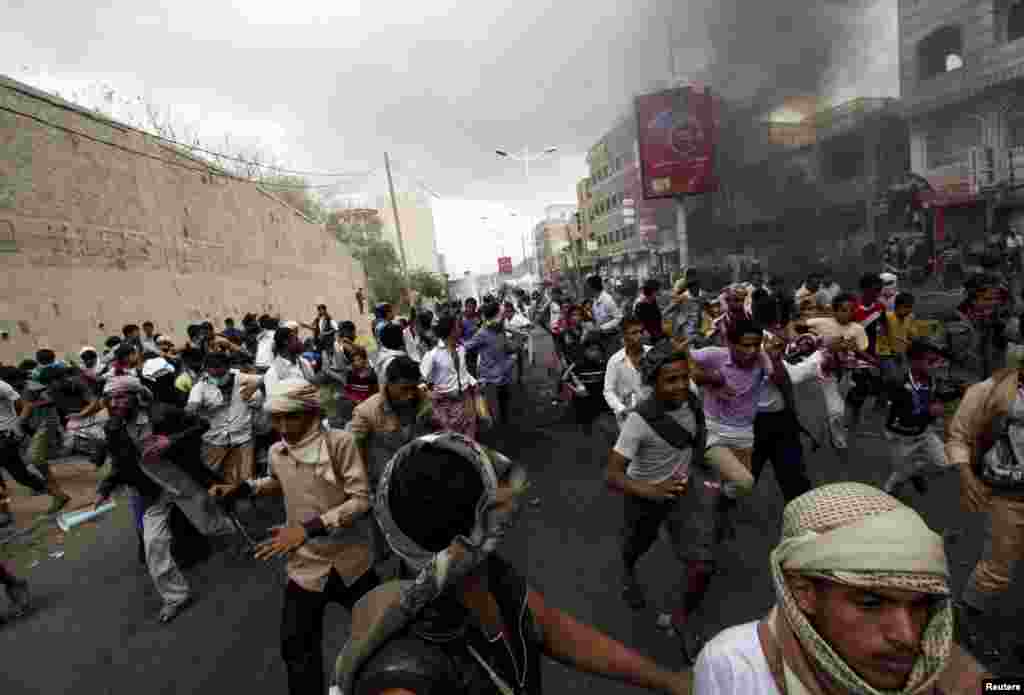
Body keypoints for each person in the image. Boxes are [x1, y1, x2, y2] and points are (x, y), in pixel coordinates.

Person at [334, 432, 693, 695]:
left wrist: (666, 680)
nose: (508, 496)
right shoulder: (404, 675)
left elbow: (550, 628)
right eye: (492, 491)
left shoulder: (482, 573)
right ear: (477, 524)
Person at [693, 482, 988, 695]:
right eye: (871, 603)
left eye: (921, 604)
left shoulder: (947, 670)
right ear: (803, 591)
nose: (908, 637)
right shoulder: (735, 666)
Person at [210, 379, 378, 695]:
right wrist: (242, 488)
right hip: (306, 565)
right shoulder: (278, 451)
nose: (284, 427)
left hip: (351, 560)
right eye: (277, 419)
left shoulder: (340, 443)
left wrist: (307, 529)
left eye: (292, 417)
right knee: (297, 647)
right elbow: (278, 481)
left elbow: (360, 501)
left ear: (312, 413)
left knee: (380, 633)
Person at [606, 344, 721, 661]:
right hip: (644, 496)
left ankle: (682, 618)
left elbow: (696, 439)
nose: (681, 385)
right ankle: (628, 571)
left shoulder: (691, 400)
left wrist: (705, 475)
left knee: (702, 564)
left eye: (684, 377)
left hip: (682, 492)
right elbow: (612, 475)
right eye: (670, 380)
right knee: (636, 545)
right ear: (652, 382)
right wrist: (651, 491)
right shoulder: (639, 420)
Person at [96, 402, 239, 623]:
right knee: (153, 543)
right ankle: (175, 597)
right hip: (153, 492)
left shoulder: (161, 413)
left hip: (184, 483)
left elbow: (202, 424)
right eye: (111, 398)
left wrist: (170, 441)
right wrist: (105, 488)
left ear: (135, 395)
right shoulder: (114, 427)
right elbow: (120, 463)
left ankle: (240, 539)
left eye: (121, 396)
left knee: (211, 525)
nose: (115, 403)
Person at [945, 361, 1024, 653]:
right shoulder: (990, 390)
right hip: (1008, 494)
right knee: (997, 569)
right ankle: (966, 619)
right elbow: (959, 436)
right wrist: (966, 475)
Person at [882, 339, 958, 500]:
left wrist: (959, 391)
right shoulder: (899, 383)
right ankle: (889, 493)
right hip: (901, 436)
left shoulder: (931, 380)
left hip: (924, 433)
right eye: (931, 361)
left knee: (946, 462)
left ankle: (916, 471)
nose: (936, 366)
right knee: (901, 473)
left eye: (938, 361)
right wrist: (930, 412)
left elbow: (939, 396)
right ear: (914, 361)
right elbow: (904, 418)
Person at [186, 352, 262, 485]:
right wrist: (191, 408)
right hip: (215, 439)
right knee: (211, 476)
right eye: (212, 374)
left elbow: (263, 380)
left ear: (227, 367)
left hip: (243, 437)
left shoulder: (242, 378)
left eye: (220, 373)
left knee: (244, 478)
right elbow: (192, 405)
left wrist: (252, 390)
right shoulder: (200, 387)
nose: (216, 377)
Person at [0, 367, 52, 526]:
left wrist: (17, 427)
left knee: (20, 474)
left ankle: (49, 489)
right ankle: (4, 511)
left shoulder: (3, 386)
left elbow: (23, 406)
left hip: (5, 435)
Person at [420, 313, 479, 439]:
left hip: (465, 400)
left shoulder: (461, 349)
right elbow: (421, 380)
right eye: (457, 326)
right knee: (451, 441)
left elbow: (463, 373)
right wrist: (429, 393)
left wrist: (473, 383)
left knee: (469, 438)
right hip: (445, 407)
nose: (460, 329)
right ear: (451, 331)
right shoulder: (432, 355)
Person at [464, 302, 514, 427]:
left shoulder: (501, 330)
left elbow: (507, 347)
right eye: (501, 314)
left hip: (504, 374)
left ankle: (503, 426)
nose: (503, 317)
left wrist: (515, 346)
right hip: (490, 378)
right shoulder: (482, 333)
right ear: (494, 316)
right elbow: (467, 347)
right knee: (493, 412)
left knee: (504, 406)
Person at [604, 318, 653, 430]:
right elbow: (608, 391)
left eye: (641, 332)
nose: (640, 336)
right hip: (628, 417)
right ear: (624, 336)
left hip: (654, 414)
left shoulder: (654, 353)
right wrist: (621, 408)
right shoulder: (615, 361)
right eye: (634, 333)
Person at [634, 279, 665, 344]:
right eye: (659, 289)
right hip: (649, 339)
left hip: (657, 334)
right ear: (654, 292)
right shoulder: (640, 305)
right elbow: (640, 325)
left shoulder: (653, 300)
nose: (661, 291)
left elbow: (657, 316)